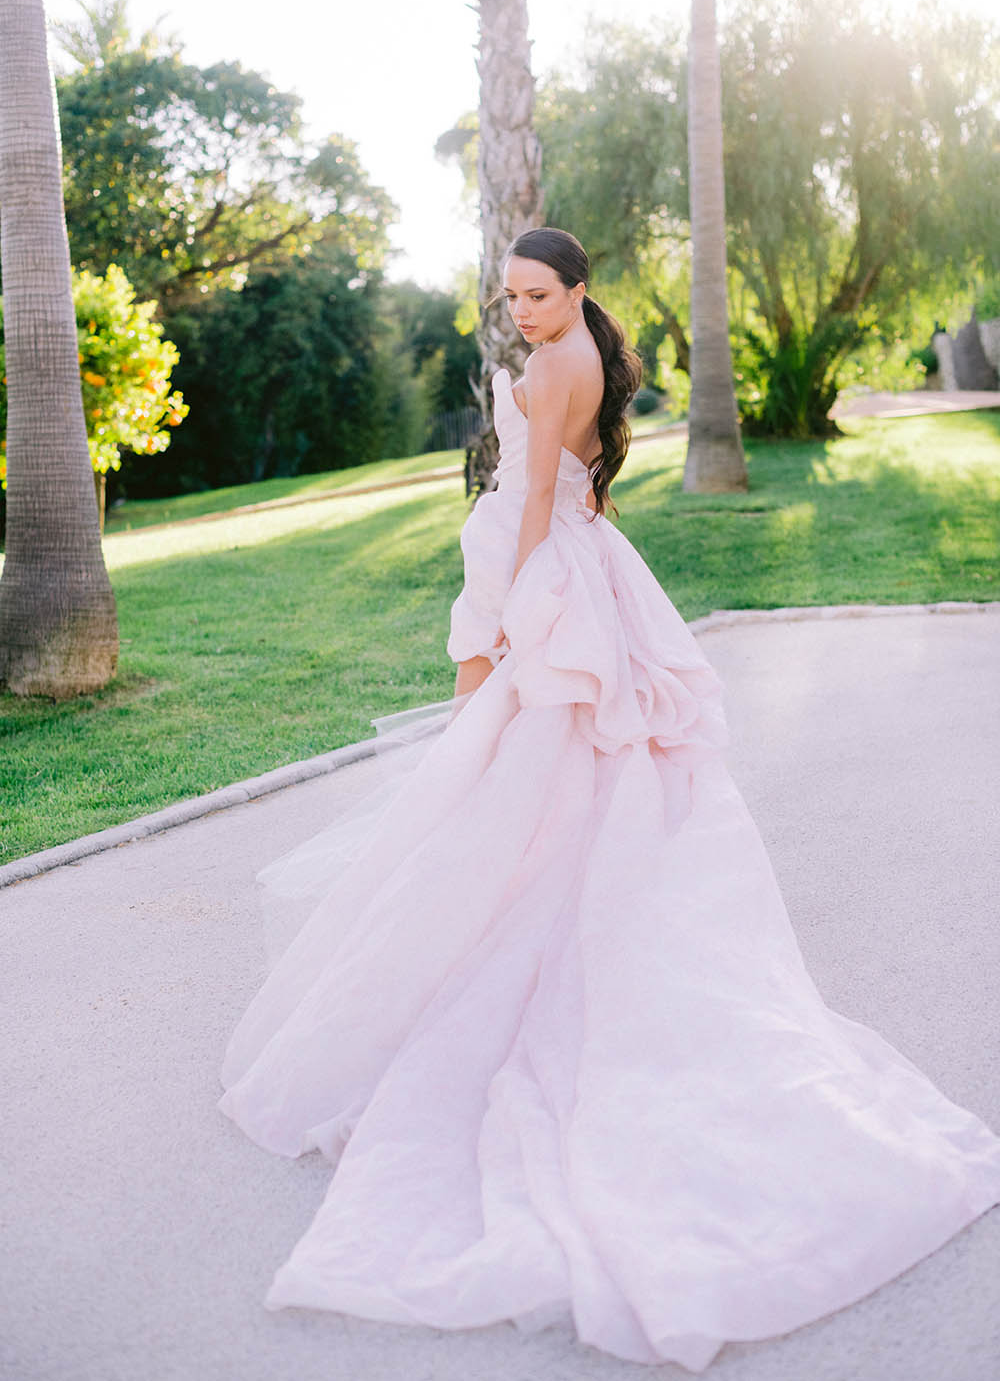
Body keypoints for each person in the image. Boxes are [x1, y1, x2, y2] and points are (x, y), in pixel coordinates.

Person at [217, 227, 1000, 1372]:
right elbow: (562, 480)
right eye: (511, 295)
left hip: (545, 565)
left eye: (538, 295)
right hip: (581, 559)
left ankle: (523, 947)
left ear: (577, 291)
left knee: (506, 773)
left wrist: (502, 610)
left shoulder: (551, 367)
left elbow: (534, 494)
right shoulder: (585, 350)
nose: (520, 311)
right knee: (550, 780)